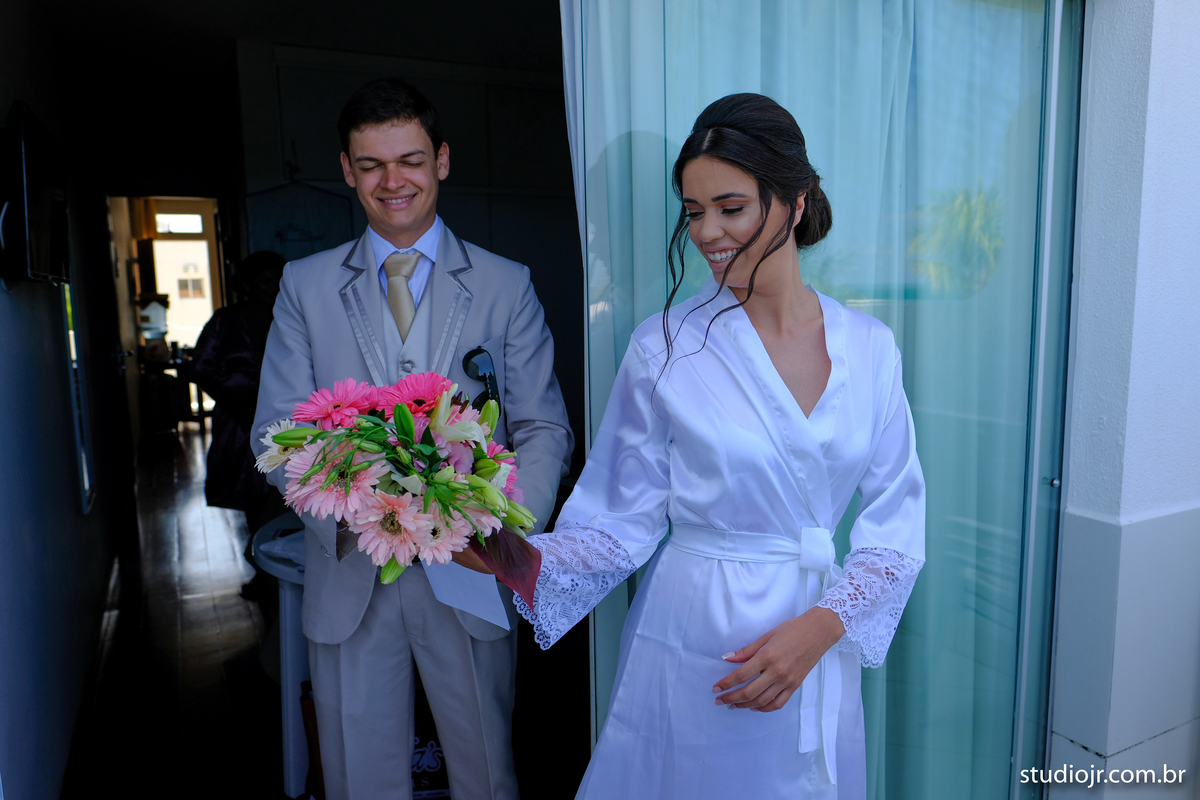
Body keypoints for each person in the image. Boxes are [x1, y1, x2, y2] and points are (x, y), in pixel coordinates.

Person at [461, 93, 926, 799]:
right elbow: (619, 520)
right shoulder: (662, 346)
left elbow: (896, 522)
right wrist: (512, 555)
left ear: (795, 202)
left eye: (729, 207)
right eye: (692, 210)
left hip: (815, 636)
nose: (706, 231)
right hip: (695, 634)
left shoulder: (872, 350)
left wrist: (824, 626)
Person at [251, 77, 574, 800]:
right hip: (348, 570)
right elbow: (275, 431)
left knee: (486, 771)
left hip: (472, 570)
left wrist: (505, 524)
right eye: (371, 165)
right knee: (359, 778)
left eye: (410, 160)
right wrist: (358, 511)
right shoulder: (303, 286)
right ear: (346, 170)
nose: (392, 181)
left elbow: (544, 425)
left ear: (443, 160)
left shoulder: (504, 283)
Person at [190, 251, 288, 536]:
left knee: (286, 490)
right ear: (247, 284)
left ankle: (272, 561)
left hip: (284, 418)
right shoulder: (225, 320)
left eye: (279, 280)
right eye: (266, 280)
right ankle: (259, 563)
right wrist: (235, 403)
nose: (274, 287)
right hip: (238, 420)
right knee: (250, 491)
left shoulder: (288, 320)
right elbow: (200, 368)